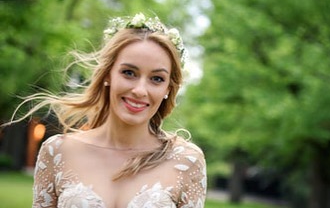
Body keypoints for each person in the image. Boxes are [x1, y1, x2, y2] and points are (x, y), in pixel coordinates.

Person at [21, 12, 206, 207]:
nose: (140, 90)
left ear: (168, 88)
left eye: (157, 78)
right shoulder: (57, 151)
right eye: (129, 73)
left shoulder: (187, 161)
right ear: (108, 74)